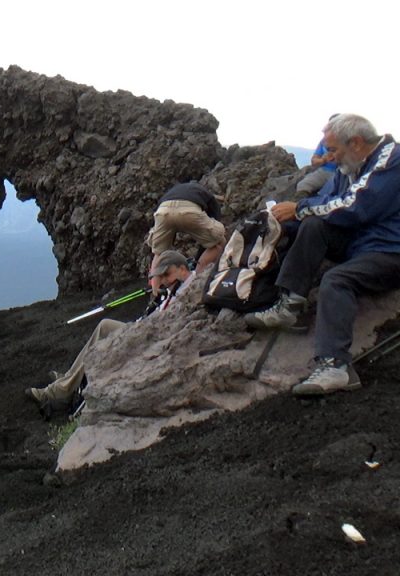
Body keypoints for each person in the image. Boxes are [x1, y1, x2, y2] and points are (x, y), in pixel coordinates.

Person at [244, 114, 400, 396]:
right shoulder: (348, 165)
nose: (330, 158)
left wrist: (300, 208)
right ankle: (290, 304)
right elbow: (325, 201)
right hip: (361, 242)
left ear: (355, 143)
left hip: (390, 250)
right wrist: (286, 218)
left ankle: (336, 366)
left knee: (336, 279)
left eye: (333, 150)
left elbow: (357, 207)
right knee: (314, 224)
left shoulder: (391, 161)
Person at [26, 250, 193, 411]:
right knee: (104, 327)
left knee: (105, 327)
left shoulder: (189, 290)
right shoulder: (176, 288)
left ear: (183, 269)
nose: (164, 280)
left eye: (167, 274)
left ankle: (61, 390)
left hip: (152, 338)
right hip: (146, 330)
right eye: (161, 276)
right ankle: (68, 380)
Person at [144, 182, 225, 295]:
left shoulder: (174, 191)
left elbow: (158, 210)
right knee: (218, 242)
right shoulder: (210, 199)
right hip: (189, 211)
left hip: (162, 211)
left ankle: (155, 290)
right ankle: (195, 279)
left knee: (158, 253)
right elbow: (213, 233)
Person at [295, 115, 340, 196]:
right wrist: (324, 160)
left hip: (342, 172)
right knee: (303, 184)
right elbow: (314, 161)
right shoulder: (324, 140)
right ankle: (300, 206)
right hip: (324, 171)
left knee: (331, 191)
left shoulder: (348, 139)